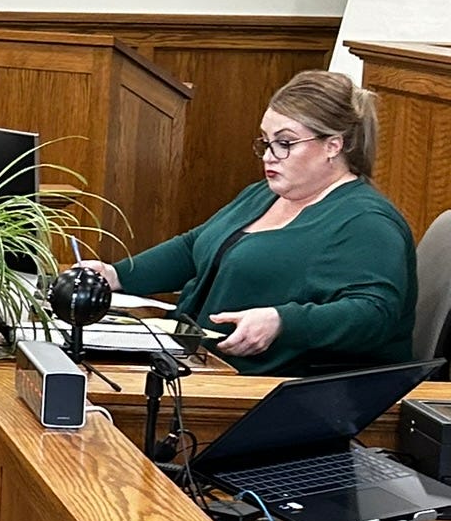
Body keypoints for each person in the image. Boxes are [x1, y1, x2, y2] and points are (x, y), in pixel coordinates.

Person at [76, 70, 414, 376]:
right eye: (266, 142)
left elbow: (375, 313)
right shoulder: (264, 195)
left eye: (285, 143)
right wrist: (117, 275)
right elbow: (195, 246)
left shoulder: (368, 222)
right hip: (194, 358)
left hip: (270, 388)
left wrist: (282, 322)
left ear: (333, 145)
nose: (268, 155)